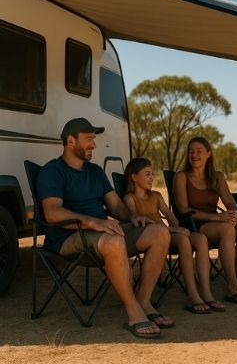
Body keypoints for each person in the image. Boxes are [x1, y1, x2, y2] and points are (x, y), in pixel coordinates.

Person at [37, 118, 173, 338]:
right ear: (70, 141)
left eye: (94, 139)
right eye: (88, 139)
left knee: (160, 232)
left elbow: (116, 206)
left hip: (103, 234)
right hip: (69, 237)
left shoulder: (95, 172)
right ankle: (134, 312)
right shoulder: (52, 171)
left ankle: (144, 301)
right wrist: (93, 222)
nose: (94, 144)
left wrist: (133, 216)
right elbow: (52, 212)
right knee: (114, 241)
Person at [122, 158, 227, 314]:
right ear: (134, 177)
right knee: (184, 240)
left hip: (168, 233)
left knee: (200, 239)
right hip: (151, 237)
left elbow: (171, 217)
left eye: (152, 174)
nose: (152, 178)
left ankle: (206, 292)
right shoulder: (130, 198)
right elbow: (136, 221)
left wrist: (176, 227)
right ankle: (192, 295)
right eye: (147, 174)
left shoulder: (156, 196)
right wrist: (171, 230)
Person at [173, 137, 237, 304]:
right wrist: (218, 217)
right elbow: (183, 210)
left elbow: (230, 202)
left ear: (208, 154)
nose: (194, 155)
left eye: (199, 151)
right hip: (194, 224)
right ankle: (232, 285)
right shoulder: (181, 177)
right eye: (191, 151)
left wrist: (234, 212)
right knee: (227, 229)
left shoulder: (217, 177)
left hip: (216, 221)